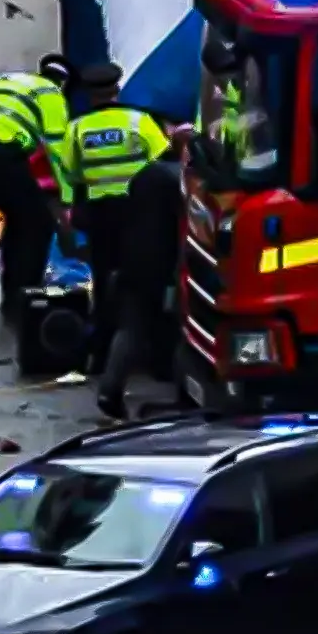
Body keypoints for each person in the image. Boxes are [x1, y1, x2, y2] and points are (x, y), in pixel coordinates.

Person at [61, 64, 171, 374]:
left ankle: (103, 351)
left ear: (89, 94)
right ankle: (151, 352)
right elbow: (161, 161)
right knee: (144, 280)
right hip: (139, 213)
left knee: (104, 278)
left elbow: (71, 173)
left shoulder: (78, 129)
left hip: (100, 215)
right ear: (117, 89)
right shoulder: (139, 121)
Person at [0, 55, 72, 317]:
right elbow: (57, 150)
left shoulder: (8, 81)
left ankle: (14, 291)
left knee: (20, 220)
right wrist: (67, 197)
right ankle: (23, 294)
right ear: (63, 82)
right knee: (39, 223)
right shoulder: (51, 93)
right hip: (2, 153)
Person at [96, 153, 183, 421]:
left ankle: (109, 389)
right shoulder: (175, 182)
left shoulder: (145, 176)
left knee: (131, 326)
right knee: (162, 324)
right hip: (161, 266)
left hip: (132, 260)